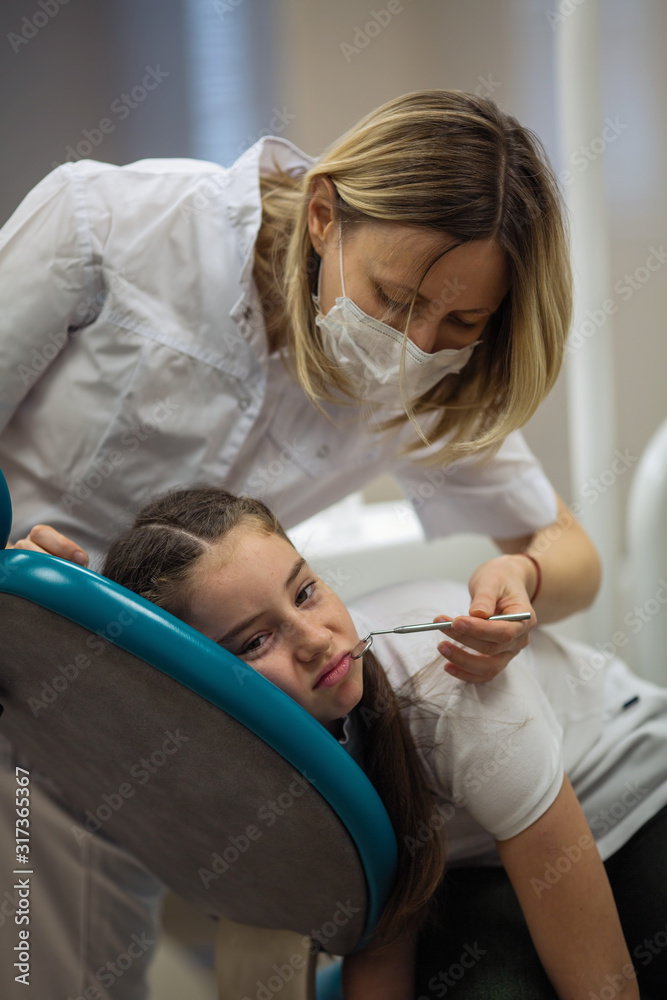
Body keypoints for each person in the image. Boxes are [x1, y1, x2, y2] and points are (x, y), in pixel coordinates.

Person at [0, 89, 601, 996]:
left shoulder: (412, 393)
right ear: (324, 215)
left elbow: (570, 552)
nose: (414, 347)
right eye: (393, 299)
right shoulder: (113, 226)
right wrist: (24, 570)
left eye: (460, 325)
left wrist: (519, 573)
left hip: (135, 734)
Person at [97, 483, 666, 999]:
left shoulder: (448, 680)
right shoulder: (238, 777)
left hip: (633, 794)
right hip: (474, 869)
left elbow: (603, 987)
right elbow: (387, 925)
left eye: (305, 592)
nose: (315, 640)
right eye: (255, 642)